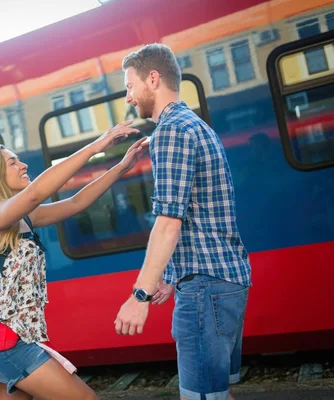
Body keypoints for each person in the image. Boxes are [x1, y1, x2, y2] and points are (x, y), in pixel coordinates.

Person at [0, 121, 147, 400]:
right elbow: (36, 193)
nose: (23, 165)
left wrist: (121, 167)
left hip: (14, 342)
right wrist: (96, 146)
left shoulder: (23, 219)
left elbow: (76, 203)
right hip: (10, 346)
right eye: (13, 162)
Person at [114, 43, 252, 400]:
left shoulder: (171, 131)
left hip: (206, 291)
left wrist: (139, 294)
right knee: (217, 394)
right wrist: (172, 277)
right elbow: (202, 216)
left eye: (130, 86)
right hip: (224, 281)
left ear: (153, 79)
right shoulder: (197, 125)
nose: (128, 97)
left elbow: (168, 223)